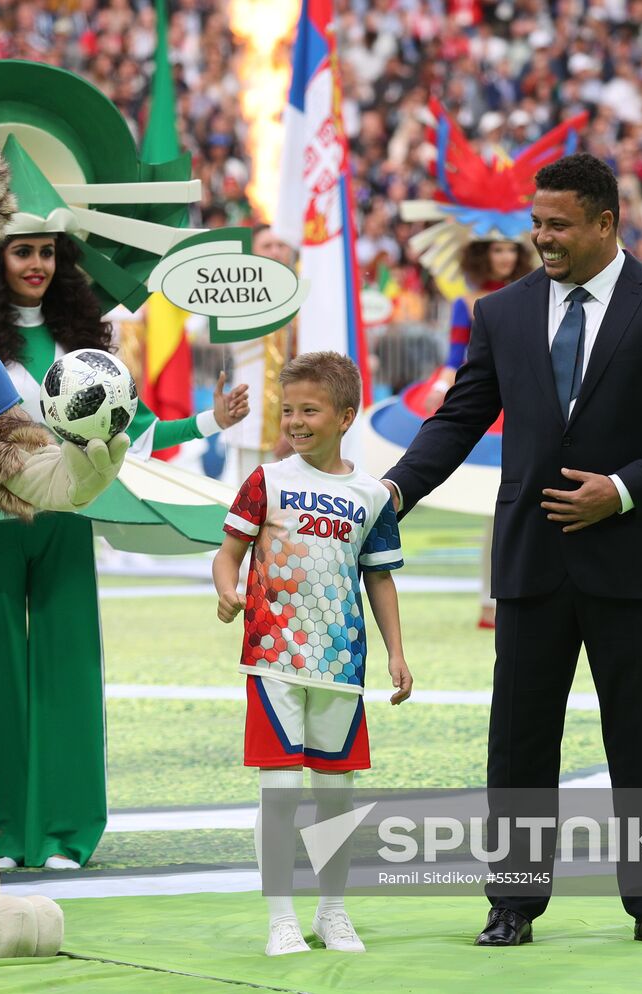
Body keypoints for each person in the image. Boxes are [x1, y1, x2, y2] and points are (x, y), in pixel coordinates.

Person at [383, 154, 642, 946]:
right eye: (537, 223)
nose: (542, 237)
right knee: (520, 739)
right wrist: (395, 492)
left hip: (631, 558)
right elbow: (459, 419)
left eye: (558, 224)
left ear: (606, 222)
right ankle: (512, 903)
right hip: (532, 559)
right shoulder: (500, 312)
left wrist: (624, 488)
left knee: (640, 736)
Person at [0, 190, 249, 870]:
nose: (36, 264)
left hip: (67, 518)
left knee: (68, 669)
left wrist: (210, 422)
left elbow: (134, 430)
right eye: (22, 252)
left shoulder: (82, 342)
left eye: (47, 252)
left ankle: (66, 829)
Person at [214, 351, 412, 956]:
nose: (295, 422)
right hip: (273, 660)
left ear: (346, 416)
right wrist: (227, 589)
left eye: (310, 410)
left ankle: (332, 913)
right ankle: (281, 919)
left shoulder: (372, 495)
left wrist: (396, 654)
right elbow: (228, 553)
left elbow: (379, 578)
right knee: (280, 791)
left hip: (341, 666)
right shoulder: (266, 481)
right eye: (288, 410)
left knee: (335, 797)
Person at [423, 239, 534, 629]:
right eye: (496, 250)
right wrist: (442, 387)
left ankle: (516, 598)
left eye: (510, 250)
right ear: (481, 255)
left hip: (528, 402)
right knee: (494, 504)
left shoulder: (537, 295)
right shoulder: (466, 303)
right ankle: (490, 602)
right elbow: (456, 356)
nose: (505, 257)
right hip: (488, 410)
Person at [219, 224, 295, 484]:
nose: (275, 252)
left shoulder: (305, 298)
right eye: (267, 246)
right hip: (251, 420)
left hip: (300, 421)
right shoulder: (235, 298)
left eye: (281, 245)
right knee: (252, 498)